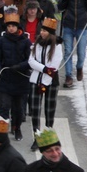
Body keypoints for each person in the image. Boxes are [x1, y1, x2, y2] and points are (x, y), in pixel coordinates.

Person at [0, 7, 32, 141]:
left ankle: (17, 127)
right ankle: (2, 131)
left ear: (18, 27)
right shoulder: (0, 41)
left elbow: (30, 60)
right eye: (9, 26)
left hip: (21, 78)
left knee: (18, 108)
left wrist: (20, 67)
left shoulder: (26, 41)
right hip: (5, 77)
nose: (11, 29)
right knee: (4, 106)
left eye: (13, 26)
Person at [27, 18, 64, 150]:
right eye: (41, 30)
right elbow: (31, 61)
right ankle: (37, 136)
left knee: (50, 109)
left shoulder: (57, 46)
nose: (41, 33)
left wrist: (45, 81)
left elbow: (53, 66)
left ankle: (49, 135)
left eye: (44, 31)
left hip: (51, 82)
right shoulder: (37, 44)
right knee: (35, 110)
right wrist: (43, 69)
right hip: (36, 80)